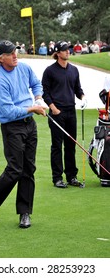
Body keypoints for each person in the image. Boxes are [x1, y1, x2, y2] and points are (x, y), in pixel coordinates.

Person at [0, 40, 48, 228]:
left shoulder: (23, 68)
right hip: (12, 127)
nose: (15, 55)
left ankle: (25, 213)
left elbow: (36, 84)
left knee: (28, 169)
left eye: (15, 51)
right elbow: (8, 112)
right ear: (1, 58)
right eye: (10, 53)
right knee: (15, 169)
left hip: (29, 125)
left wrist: (38, 98)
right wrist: (33, 108)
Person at [42, 40, 87, 188]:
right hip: (57, 112)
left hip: (70, 111)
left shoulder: (74, 70)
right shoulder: (50, 71)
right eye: (64, 50)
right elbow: (45, 93)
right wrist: (53, 108)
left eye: (68, 49)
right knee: (57, 146)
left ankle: (71, 176)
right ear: (57, 53)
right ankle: (57, 178)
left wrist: (83, 97)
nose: (68, 51)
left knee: (71, 145)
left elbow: (77, 89)